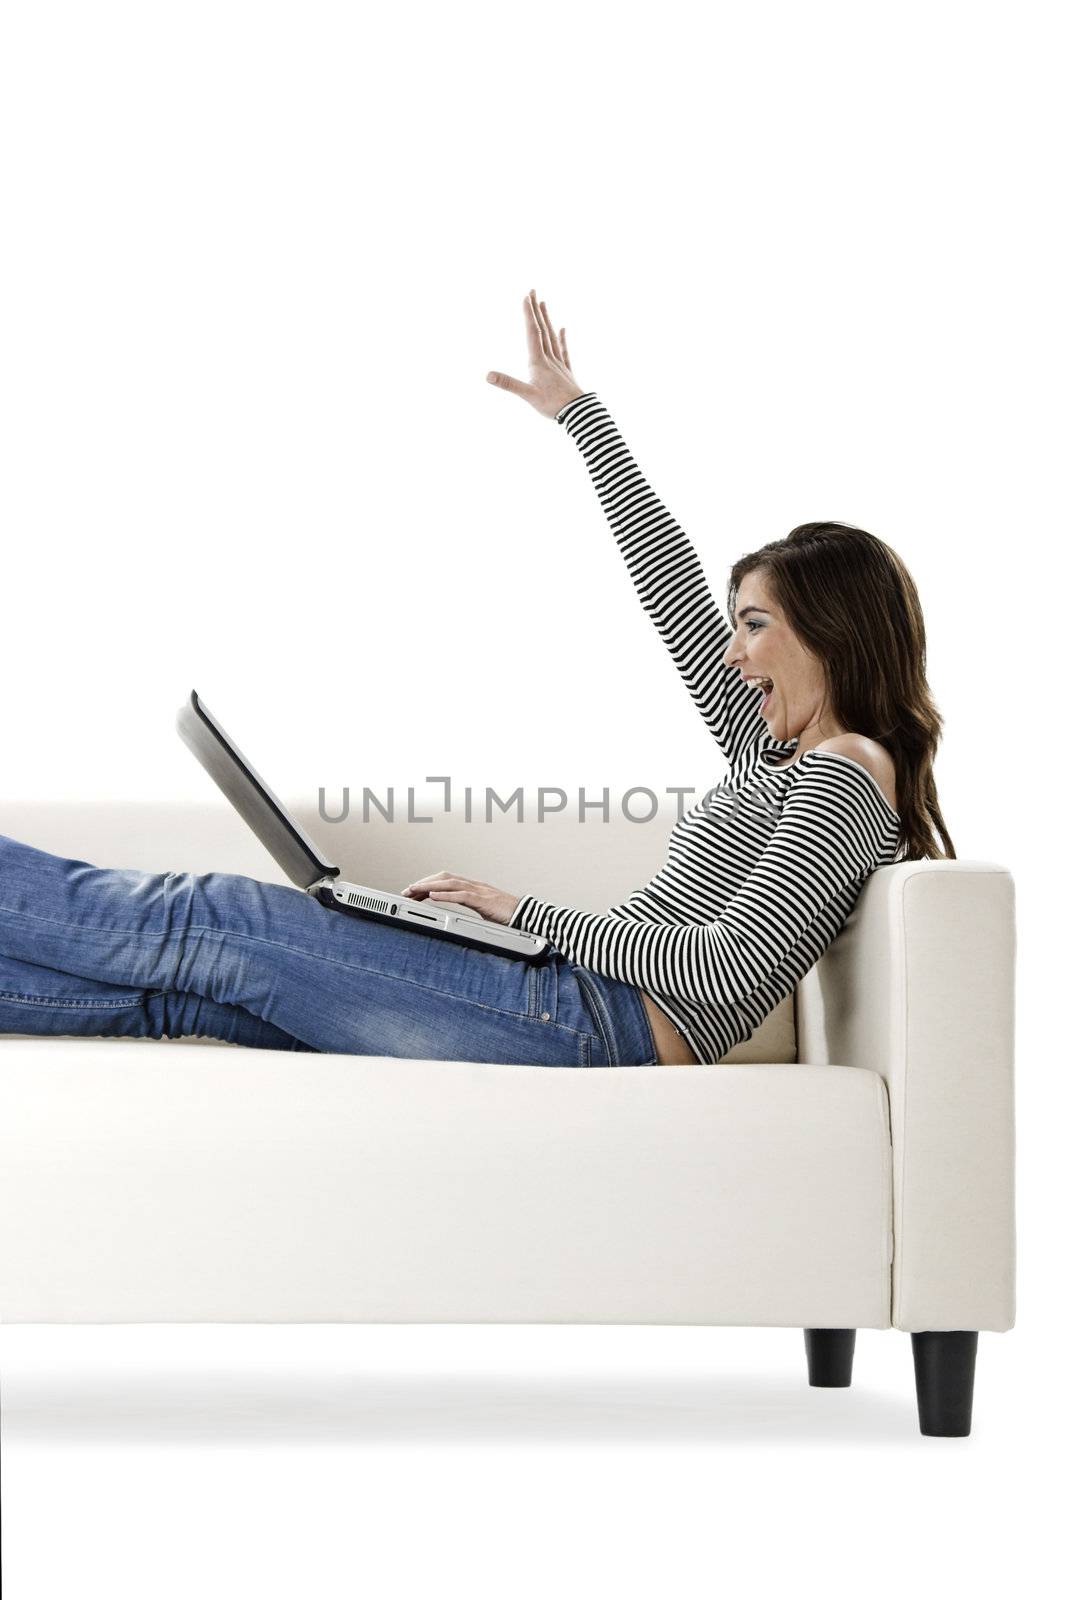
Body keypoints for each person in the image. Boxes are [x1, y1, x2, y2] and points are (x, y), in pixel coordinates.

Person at [0, 290, 954, 1068]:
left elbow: (723, 969)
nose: (734, 654)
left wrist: (516, 911)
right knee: (175, 993)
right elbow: (666, 590)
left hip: (589, 1021)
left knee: (216, 914)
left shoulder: (842, 770)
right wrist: (581, 418)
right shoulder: (772, 749)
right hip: (563, 1000)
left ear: (829, 635)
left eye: (755, 627)